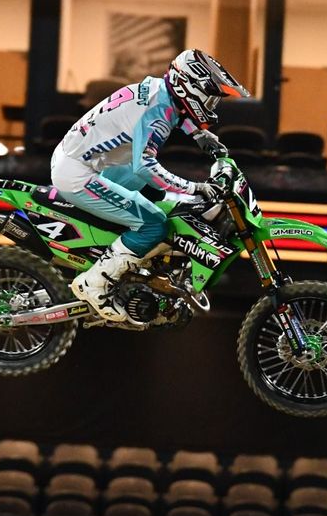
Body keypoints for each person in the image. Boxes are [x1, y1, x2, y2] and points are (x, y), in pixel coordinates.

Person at [51, 49, 249, 322]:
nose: (212, 105)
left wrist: (198, 134)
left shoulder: (158, 91)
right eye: (210, 97)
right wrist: (193, 188)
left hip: (86, 159)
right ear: (189, 86)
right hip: (78, 174)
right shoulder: (156, 112)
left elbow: (173, 114)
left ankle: (130, 264)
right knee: (154, 224)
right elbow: (145, 166)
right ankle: (94, 283)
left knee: (159, 197)